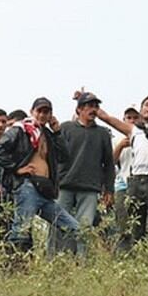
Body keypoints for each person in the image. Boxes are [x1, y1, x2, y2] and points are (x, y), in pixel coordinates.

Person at [0, 97, 79, 256]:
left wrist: (57, 131)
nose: (42, 115)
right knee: (21, 231)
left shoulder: (47, 134)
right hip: (27, 186)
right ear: (32, 112)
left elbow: (65, 156)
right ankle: (11, 268)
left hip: (45, 191)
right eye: (39, 111)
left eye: (46, 112)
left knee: (73, 227)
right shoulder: (20, 130)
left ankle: (69, 261)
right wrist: (17, 168)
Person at [97, 95, 148, 248]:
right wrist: (87, 101)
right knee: (131, 226)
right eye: (147, 104)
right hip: (131, 183)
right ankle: (130, 257)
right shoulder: (131, 132)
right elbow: (107, 118)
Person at [52, 92, 115, 255]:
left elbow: (108, 163)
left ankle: (82, 263)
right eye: (89, 106)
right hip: (64, 184)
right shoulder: (66, 128)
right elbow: (53, 156)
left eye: (96, 106)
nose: (93, 110)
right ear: (79, 109)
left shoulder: (103, 133)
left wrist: (109, 189)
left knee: (85, 228)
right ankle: (55, 261)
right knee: (58, 224)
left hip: (90, 187)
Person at [112, 107, 141, 241]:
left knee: (140, 222)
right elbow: (111, 161)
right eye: (129, 118)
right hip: (122, 184)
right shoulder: (117, 139)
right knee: (122, 222)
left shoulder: (145, 136)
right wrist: (120, 147)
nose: (132, 121)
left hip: (141, 184)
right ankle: (123, 253)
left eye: (135, 118)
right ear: (123, 120)